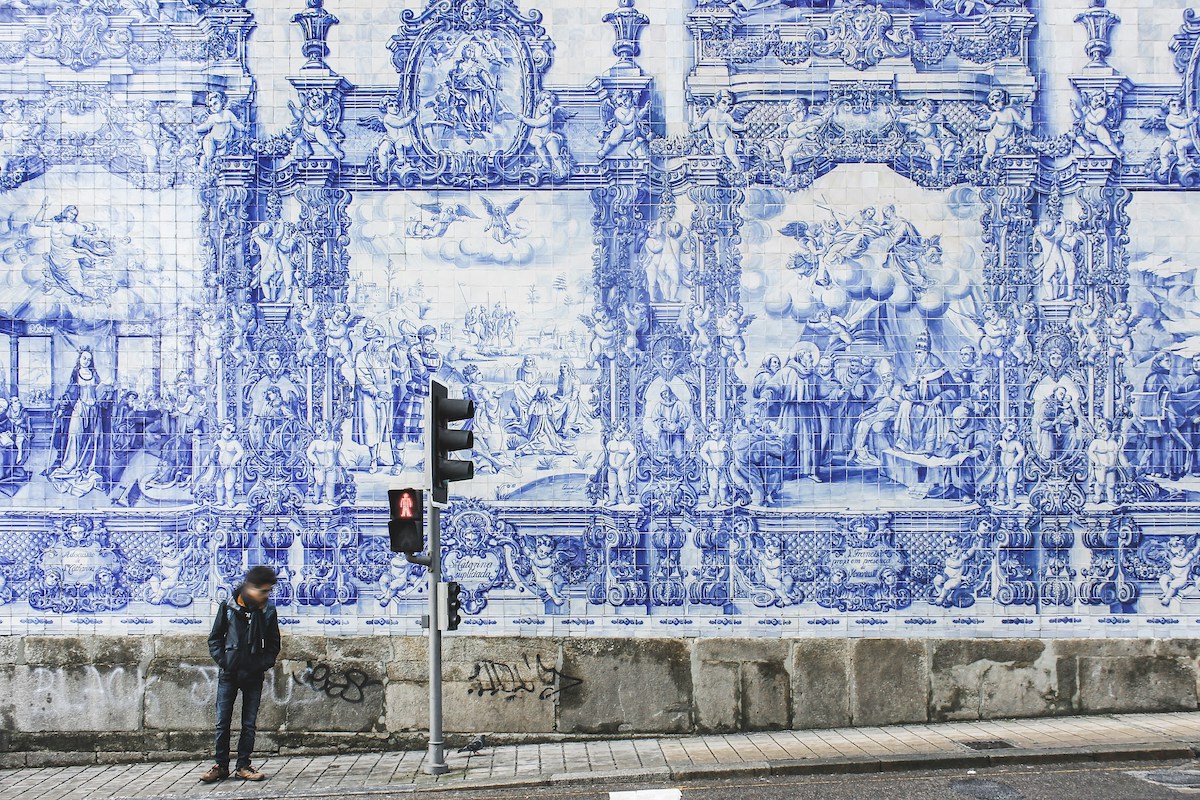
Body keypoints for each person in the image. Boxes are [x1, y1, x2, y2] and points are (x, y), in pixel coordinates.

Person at [201, 565, 281, 784]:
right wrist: (225, 661)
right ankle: (220, 766)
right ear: (250, 588)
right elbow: (215, 638)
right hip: (230, 673)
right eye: (262, 591)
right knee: (222, 721)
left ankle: (243, 765)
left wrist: (263, 663)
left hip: (253, 674)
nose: (266, 595)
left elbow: (274, 643)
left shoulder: (268, 612)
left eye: (268, 591)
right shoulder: (227, 607)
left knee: (249, 723)